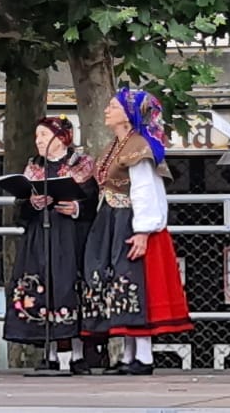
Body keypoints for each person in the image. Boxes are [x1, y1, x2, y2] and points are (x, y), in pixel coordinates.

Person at [80, 87, 190, 375]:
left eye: (113, 107)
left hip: (130, 219)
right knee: (119, 281)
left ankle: (143, 356)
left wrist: (142, 230)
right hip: (112, 219)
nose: (107, 110)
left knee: (134, 282)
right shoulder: (117, 145)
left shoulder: (138, 146)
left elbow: (145, 190)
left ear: (128, 117)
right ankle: (129, 355)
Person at [4, 116, 98, 373]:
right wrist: (32, 205)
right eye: (37, 137)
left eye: (44, 136)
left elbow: (94, 202)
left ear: (61, 138)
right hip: (40, 237)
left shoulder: (83, 164)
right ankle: (51, 353)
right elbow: (19, 211)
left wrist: (78, 207)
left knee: (70, 287)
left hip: (72, 235)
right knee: (42, 287)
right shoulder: (34, 167)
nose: (39, 141)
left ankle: (77, 354)